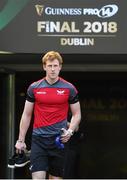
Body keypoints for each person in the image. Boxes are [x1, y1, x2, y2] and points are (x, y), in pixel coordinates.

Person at [15, 51, 81, 179]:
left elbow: (77, 114)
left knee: (55, 178)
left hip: (58, 141)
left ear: (60, 67)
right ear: (44, 67)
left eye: (55, 66)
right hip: (38, 140)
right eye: (50, 66)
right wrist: (20, 140)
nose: (52, 69)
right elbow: (26, 114)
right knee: (38, 177)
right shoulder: (34, 87)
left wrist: (70, 131)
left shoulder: (69, 88)